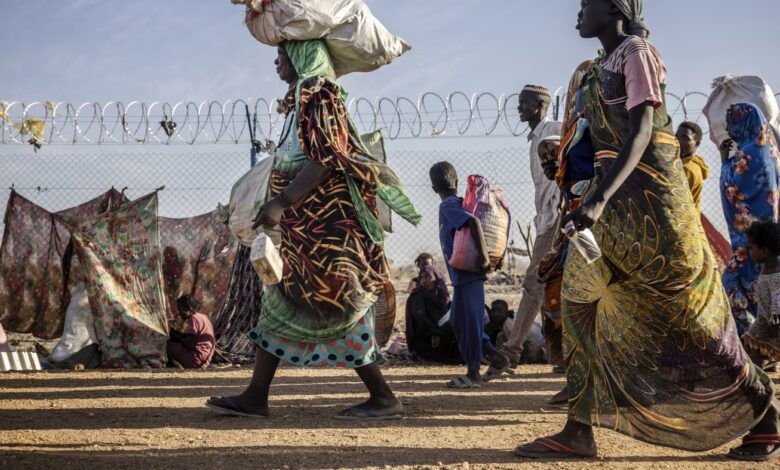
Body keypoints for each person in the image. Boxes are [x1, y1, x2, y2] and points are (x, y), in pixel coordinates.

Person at [516, 0, 779, 461]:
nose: (577, 14)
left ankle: (766, 414)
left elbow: (640, 132)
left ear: (614, 7)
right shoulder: (599, 66)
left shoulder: (636, 53)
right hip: (615, 204)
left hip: (654, 209)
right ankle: (579, 429)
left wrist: (596, 200)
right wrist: (588, 199)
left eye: (586, 5)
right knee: (582, 302)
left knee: (691, 320)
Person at [206, 39, 420, 420]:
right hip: (304, 229)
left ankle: (384, 397)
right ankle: (256, 396)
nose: (275, 61)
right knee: (281, 301)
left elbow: (326, 160)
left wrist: (281, 201)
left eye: (281, 54)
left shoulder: (319, 93)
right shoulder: (300, 99)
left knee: (338, 304)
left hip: (326, 230)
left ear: (302, 56)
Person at [486, 84, 563, 379]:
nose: (519, 108)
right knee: (552, 287)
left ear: (540, 105)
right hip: (546, 215)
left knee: (535, 279)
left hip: (558, 214)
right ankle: (562, 357)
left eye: (524, 103)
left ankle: (511, 350)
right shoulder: (534, 139)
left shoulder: (554, 128)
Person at [430, 161, 509, 389]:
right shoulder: (456, 203)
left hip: (466, 275)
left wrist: (484, 257)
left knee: (471, 323)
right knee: (459, 320)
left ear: (434, 187)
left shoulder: (447, 206)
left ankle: (473, 372)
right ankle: (496, 358)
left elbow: (473, 222)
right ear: (455, 182)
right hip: (463, 276)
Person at [720, 103, 780, 336]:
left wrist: (726, 161)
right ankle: (759, 345)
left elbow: (734, 190)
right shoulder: (767, 150)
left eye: (729, 121)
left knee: (735, 287)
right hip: (761, 236)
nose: (726, 126)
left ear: (741, 120)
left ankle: (755, 344)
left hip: (751, 240)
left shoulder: (749, 154)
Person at [405, 265, 461, 365]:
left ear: (436, 278)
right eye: (421, 278)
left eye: (427, 277)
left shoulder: (442, 295)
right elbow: (421, 318)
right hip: (426, 338)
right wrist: (434, 333)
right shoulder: (418, 295)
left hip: (444, 335)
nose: (423, 281)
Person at [743, 220, 780, 367]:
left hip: (775, 322)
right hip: (764, 320)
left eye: (752, 248)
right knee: (750, 342)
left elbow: (778, 300)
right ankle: (758, 378)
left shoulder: (777, 273)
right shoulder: (766, 267)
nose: (749, 252)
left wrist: (775, 326)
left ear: (764, 250)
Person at [167, 296, 216, 369]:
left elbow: (190, 344)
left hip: (197, 359)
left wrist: (177, 335)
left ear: (189, 308)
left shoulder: (194, 318)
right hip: (205, 359)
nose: (179, 313)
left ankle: (173, 366)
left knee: (170, 344)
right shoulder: (203, 317)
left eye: (180, 309)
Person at [675, 122, 709, 214]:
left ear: (696, 144)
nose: (678, 141)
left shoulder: (687, 169)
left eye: (685, 138)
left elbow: (674, 202)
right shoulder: (682, 163)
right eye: (677, 136)